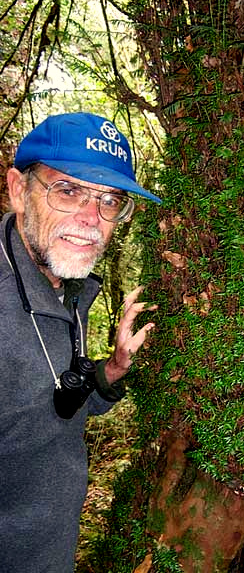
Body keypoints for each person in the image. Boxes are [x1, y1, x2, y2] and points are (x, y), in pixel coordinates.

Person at [0, 112, 161, 573]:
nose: (91, 219)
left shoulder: (63, 282)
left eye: (109, 200)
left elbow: (50, 407)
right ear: (18, 190)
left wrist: (111, 371)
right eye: (68, 191)